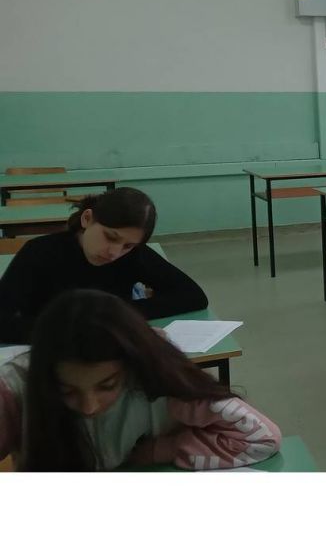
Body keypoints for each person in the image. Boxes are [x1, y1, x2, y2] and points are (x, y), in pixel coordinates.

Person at [0, 289, 280, 471]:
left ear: (130, 367)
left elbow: (262, 439)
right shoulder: (14, 388)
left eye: (107, 385)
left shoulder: (160, 381)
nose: (89, 406)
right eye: (66, 390)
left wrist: (162, 450)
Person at [0, 188, 207, 345]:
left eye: (128, 245)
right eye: (110, 237)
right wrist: (84, 329)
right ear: (87, 219)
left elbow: (193, 296)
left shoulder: (134, 255)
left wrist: (121, 317)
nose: (114, 253)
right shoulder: (39, 252)